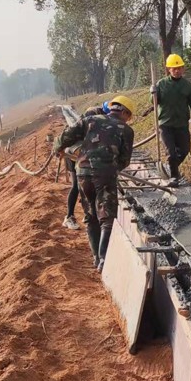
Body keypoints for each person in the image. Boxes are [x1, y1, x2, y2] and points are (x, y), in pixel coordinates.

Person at [54, 95, 135, 272]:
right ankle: (104, 259)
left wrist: (57, 149)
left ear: (112, 108)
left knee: (90, 216)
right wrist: (112, 168)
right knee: (107, 217)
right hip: (105, 175)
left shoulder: (90, 120)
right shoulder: (126, 130)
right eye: (129, 117)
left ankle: (96, 258)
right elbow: (125, 159)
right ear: (125, 113)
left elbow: (66, 136)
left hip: (82, 173)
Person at [151, 54, 191, 187]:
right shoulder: (161, 84)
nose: (177, 71)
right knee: (171, 153)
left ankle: (173, 166)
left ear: (183, 69)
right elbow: (154, 102)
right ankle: (174, 176)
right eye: (174, 68)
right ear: (169, 69)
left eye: (179, 68)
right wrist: (153, 93)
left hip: (181, 124)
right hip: (165, 125)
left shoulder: (187, 86)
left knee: (185, 149)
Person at [62, 102, 111, 231]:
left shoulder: (102, 119)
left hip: (84, 153)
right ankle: (69, 217)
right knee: (77, 186)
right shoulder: (91, 117)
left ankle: (91, 215)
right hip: (74, 152)